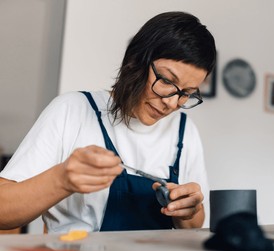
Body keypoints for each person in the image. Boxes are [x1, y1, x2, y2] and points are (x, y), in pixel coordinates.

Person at [0, 11, 216, 233]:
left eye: (186, 94)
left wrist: (191, 211)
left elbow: (194, 227)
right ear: (135, 60)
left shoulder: (184, 129)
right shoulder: (73, 110)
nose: (172, 103)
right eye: (167, 81)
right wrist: (61, 180)